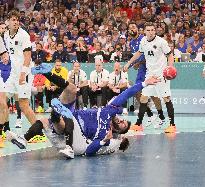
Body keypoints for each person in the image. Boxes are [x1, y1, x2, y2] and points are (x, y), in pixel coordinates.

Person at [7, 63, 160, 158]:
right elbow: (127, 92)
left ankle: (57, 114)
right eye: (123, 120)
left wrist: (103, 141)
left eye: (122, 125)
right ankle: (47, 72)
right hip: (72, 117)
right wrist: (145, 83)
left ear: (118, 131)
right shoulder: (109, 110)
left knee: (58, 120)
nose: (121, 121)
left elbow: (90, 151)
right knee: (72, 89)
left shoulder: (105, 133)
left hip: (74, 134)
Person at [1, 10, 46, 144]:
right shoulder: (6, 34)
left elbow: (27, 57)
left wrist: (22, 74)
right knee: (2, 99)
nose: (15, 22)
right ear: (8, 21)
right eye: (13, 19)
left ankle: (39, 133)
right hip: (12, 74)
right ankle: (3, 131)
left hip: (23, 74)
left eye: (17, 20)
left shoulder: (24, 35)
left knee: (24, 105)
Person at [124, 22, 176, 133]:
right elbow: (139, 53)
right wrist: (129, 63)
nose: (151, 32)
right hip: (150, 75)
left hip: (162, 75)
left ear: (155, 31)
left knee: (166, 98)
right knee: (143, 98)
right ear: (145, 31)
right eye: (148, 30)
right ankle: (138, 124)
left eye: (153, 30)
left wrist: (170, 68)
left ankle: (172, 125)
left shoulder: (161, 42)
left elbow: (170, 55)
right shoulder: (143, 41)